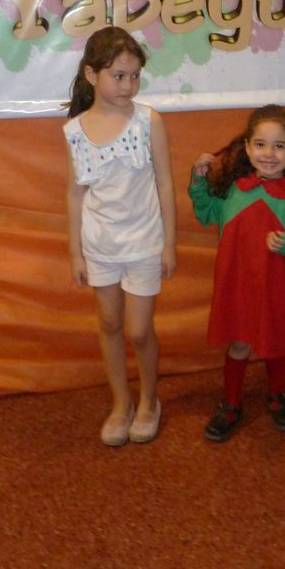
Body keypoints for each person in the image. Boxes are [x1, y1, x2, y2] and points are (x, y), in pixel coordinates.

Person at [65, 26, 176, 446]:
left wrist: (169, 243)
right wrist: (76, 253)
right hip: (100, 246)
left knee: (139, 330)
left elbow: (165, 182)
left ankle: (149, 400)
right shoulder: (75, 131)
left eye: (135, 76)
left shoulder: (149, 122)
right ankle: (121, 403)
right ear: (91, 75)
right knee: (109, 322)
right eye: (118, 76)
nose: (128, 85)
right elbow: (75, 193)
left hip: (144, 242)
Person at [190, 105, 285, 442]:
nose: (269, 154)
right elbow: (206, 212)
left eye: (279, 146)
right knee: (239, 343)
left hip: (280, 285)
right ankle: (231, 403)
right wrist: (199, 180)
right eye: (261, 144)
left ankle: (276, 395)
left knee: (276, 343)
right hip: (239, 285)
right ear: (248, 148)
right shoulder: (233, 190)